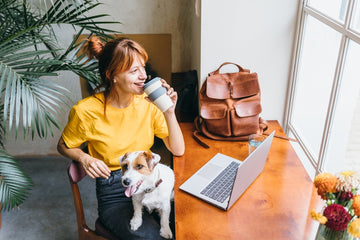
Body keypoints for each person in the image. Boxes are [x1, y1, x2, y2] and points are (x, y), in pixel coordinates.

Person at [57, 36, 185, 240]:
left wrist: (169, 111)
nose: (143, 76)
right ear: (112, 75)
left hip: (149, 180)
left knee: (185, 223)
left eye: (143, 68)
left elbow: (178, 150)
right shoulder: (86, 111)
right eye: (134, 71)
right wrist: (84, 158)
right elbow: (63, 145)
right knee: (154, 237)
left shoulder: (148, 103)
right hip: (114, 191)